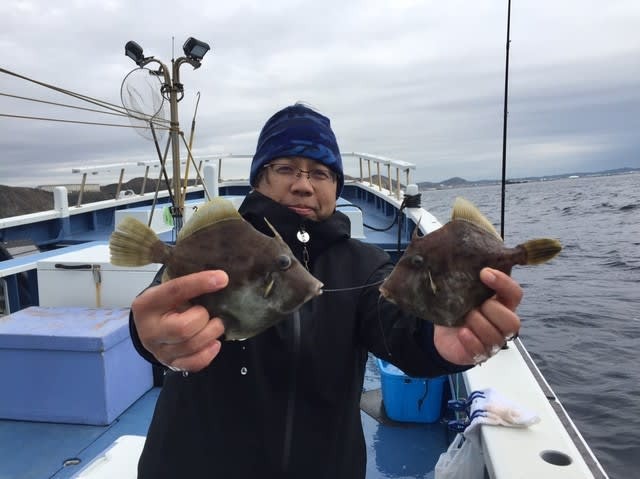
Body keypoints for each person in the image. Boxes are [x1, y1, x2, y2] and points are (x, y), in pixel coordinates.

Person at [129, 103, 522, 478]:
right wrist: (152, 334)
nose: (303, 185)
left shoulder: (364, 264)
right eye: (286, 168)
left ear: (336, 187)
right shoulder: (222, 247)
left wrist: (437, 338)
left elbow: (396, 323)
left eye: (320, 173)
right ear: (260, 179)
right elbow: (161, 304)